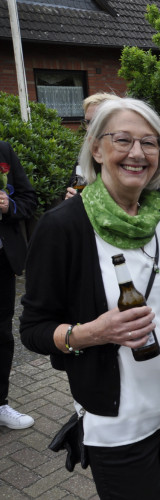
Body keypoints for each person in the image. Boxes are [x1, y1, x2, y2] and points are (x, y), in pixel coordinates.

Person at [20, 98, 160, 497]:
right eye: (123, 140)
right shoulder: (62, 227)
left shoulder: (154, 220)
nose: (137, 153)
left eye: (149, 143)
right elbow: (32, 330)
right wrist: (92, 332)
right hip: (119, 420)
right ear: (96, 149)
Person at [0, 141, 37, 430]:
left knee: (2, 335)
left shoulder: (3, 150)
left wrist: (8, 205)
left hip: (2, 263)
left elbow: (28, 199)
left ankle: (1, 403)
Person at [64, 93, 121, 200]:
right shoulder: (85, 156)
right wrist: (70, 200)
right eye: (88, 122)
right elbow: (75, 185)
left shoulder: (131, 157)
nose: (89, 129)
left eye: (96, 121)